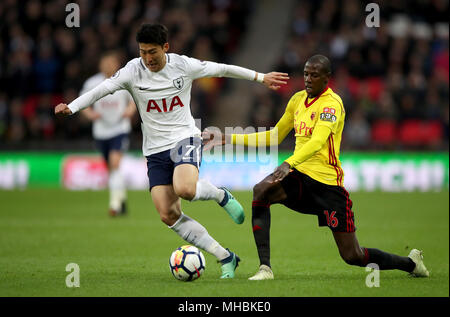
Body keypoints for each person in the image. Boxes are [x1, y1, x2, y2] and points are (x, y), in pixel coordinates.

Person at [55, 23, 289, 279]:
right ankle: (226, 257)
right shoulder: (132, 71)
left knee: (186, 189)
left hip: (184, 138)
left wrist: (260, 77)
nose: (148, 58)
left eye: (152, 51)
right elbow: (103, 89)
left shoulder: (183, 66)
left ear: (166, 47)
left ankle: (219, 195)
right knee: (168, 214)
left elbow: (221, 69)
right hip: (154, 150)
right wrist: (73, 107)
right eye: (143, 52)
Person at [204, 55, 429, 280]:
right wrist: (229, 138)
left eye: (314, 75)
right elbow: (274, 136)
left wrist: (288, 162)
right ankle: (265, 268)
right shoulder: (297, 100)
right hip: (301, 177)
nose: (308, 79)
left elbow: (317, 141)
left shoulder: (332, 104)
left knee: (353, 255)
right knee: (261, 190)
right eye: (305, 74)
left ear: (326, 78)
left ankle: (411, 264)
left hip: (327, 186)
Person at [80, 51, 136, 217]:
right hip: (101, 131)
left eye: (111, 63)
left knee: (114, 163)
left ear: (116, 64)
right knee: (111, 169)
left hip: (120, 129)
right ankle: (122, 199)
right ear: (100, 65)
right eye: (105, 63)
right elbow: (83, 102)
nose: (108, 66)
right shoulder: (92, 83)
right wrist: (90, 114)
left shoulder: (124, 80)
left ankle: (114, 205)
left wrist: (129, 111)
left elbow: (134, 100)